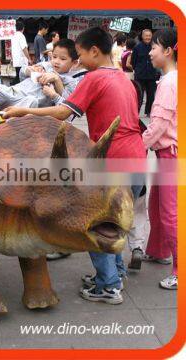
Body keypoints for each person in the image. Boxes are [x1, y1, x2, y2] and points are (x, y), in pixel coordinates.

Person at [4, 27, 147, 304]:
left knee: (94, 219)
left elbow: (62, 112)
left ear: (95, 51)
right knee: (114, 219)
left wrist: (24, 111)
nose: (78, 61)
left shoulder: (94, 78)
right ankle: (115, 275)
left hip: (112, 159)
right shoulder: (123, 78)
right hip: (135, 154)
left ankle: (107, 287)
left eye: (79, 55)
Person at [142, 28, 178, 290]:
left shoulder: (169, 82)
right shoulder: (171, 79)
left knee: (170, 214)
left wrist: (137, 145)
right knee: (156, 206)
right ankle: (158, 250)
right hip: (166, 154)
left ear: (168, 51)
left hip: (171, 156)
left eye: (154, 47)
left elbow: (159, 125)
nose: (150, 52)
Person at [131, 29, 158, 117]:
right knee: (139, 95)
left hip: (151, 75)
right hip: (140, 75)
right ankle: (136, 112)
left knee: (151, 95)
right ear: (142, 37)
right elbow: (133, 61)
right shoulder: (137, 47)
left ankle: (148, 111)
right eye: (146, 36)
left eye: (149, 36)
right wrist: (138, 69)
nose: (148, 37)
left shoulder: (154, 47)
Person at [11, 20, 31, 85]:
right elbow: (24, 48)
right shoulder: (21, 36)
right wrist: (29, 59)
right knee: (21, 77)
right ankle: (12, 85)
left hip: (16, 60)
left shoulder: (13, 36)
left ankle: (13, 85)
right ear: (23, 28)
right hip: (21, 61)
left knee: (18, 76)